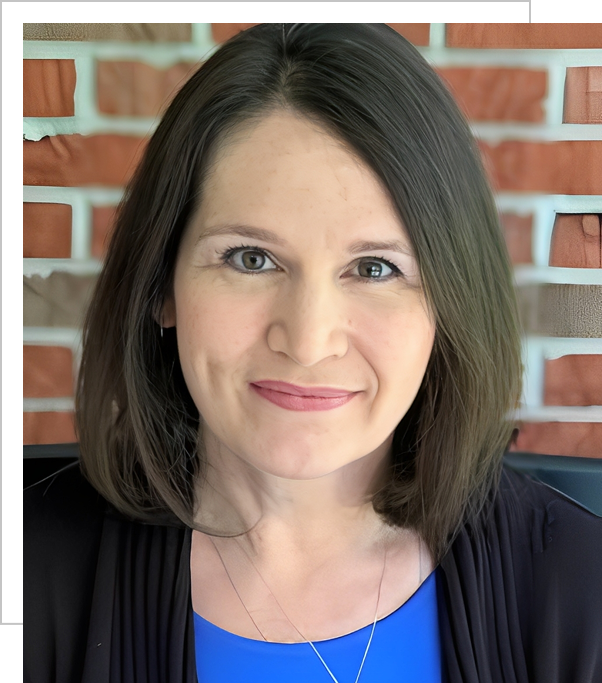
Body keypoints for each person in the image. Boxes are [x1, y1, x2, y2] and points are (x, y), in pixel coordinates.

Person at [24, 23, 601, 683]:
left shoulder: (582, 586)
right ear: (163, 287)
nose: (307, 338)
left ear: (449, 305)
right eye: (251, 258)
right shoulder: (24, 575)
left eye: (376, 268)